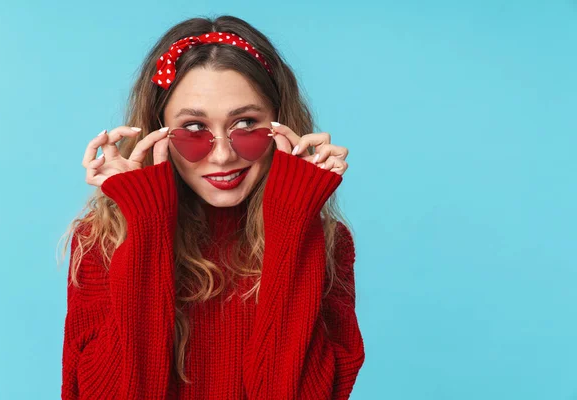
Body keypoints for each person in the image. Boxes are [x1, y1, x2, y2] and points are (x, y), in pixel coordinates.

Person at [59, 14, 365, 399]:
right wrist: (146, 224)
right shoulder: (102, 241)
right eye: (192, 129)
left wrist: (292, 224)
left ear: (279, 126)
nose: (222, 155)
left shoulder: (324, 241)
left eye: (247, 124)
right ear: (157, 132)